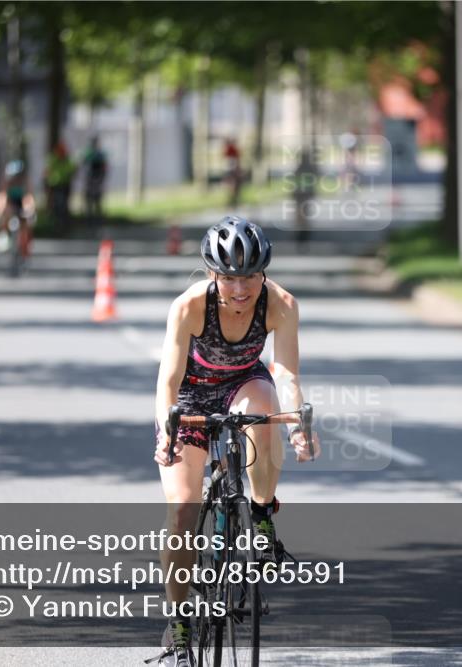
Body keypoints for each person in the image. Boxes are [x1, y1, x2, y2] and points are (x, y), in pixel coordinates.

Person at [151, 217, 320, 666]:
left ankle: (261, 515)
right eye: (229, 277)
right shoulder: (188, 307)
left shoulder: (281, 304)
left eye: (250, 276)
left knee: (263, 410)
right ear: (212, 274)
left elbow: (285, 371)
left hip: (244, 384)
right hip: (189, 396)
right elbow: (168, 378)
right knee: (183, 509)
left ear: (263, 273)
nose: (241, 288)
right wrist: (166, 433)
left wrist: (298, 424)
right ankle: (180, 620)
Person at [0, 159, 36, 257]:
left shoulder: (25, 181)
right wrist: (0, 209)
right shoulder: (6, 182)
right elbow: (2, 196)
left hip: (21, 203)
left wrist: (30, 209)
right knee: (5, 213)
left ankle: (26, 243)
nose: (15, 179)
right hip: (11, 204)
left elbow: (29, 197)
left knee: (27, 220)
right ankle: (3, 234)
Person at [44, 142, 77, 233]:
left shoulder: (67, 160)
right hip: (55, 185)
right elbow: (48, 171)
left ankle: (64, 224)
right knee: (56, 204)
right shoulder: (53, 159)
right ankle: (55, 223)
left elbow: (72, 170)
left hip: (64, 185)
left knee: (64, 204)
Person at [82, 136, 108, 221]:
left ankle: (94, 215)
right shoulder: (92, 153)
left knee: (95, 196)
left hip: (95, 179)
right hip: (93, 178)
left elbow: (103, 168)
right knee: (93, 196)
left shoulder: (95, 154)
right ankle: (92, 214)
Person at [223, 138, 242, 208]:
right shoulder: (230, 149)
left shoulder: (232, 149)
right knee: (231, 185)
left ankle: (234, 200)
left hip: (232, 169)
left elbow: (234, 160)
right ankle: (232, 200)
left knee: (233, 185)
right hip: (231, 169)